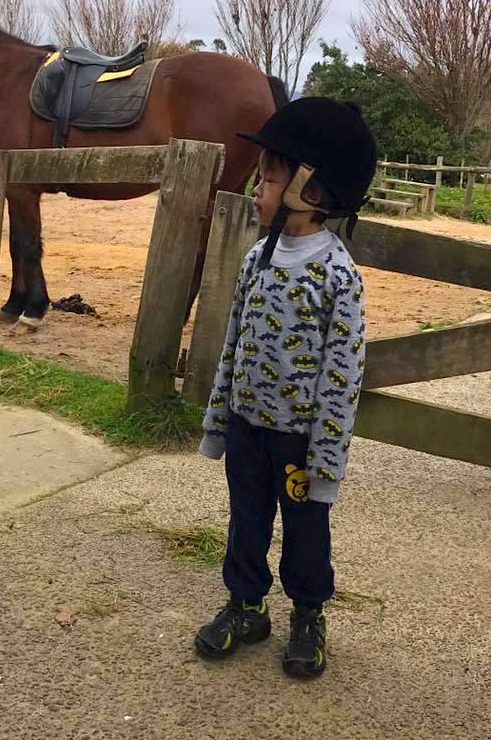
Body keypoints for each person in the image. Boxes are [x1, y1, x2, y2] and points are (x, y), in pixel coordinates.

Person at [195, 96, 378, 678]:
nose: (256, 187)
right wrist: (218, 419)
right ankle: (247, 605)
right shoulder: (257, 259)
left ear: (311, 192)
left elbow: (342, 378)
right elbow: (234, 340)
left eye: (269, 176)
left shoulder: (339, 279)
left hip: (301, 441)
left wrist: (327, 461)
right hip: (248, 428)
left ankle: (307, 613)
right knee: (245, 519)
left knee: (305, 532)